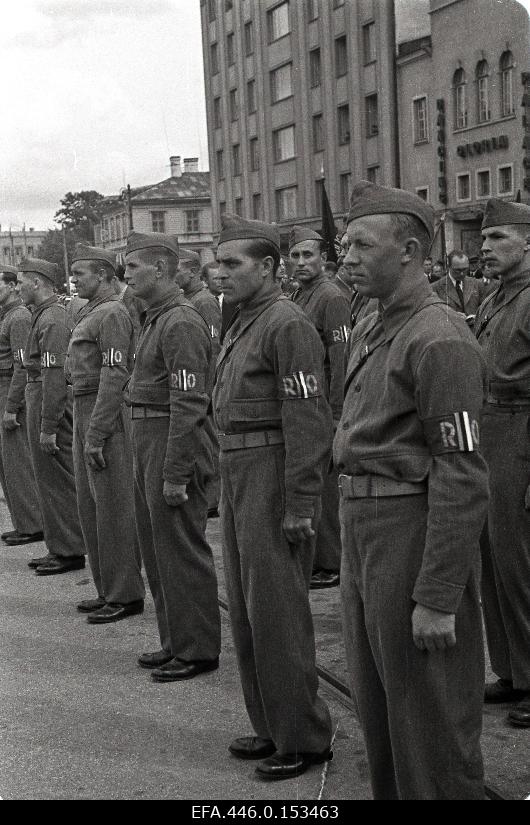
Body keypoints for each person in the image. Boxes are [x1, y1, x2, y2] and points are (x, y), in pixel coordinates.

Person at [335, 181, 489, 800]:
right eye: (344, 242)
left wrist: (438, 596)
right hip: (364, 525)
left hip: (408, 531)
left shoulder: (439, 337)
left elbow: (462, 472)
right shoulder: (377, 324)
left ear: (410, 250)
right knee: (381, 707)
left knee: (428, 716)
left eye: (360, 244)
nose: (345, 255)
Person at [213, 214, 333, 780]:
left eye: (231, 263)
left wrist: (300, 503)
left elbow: (307, 419)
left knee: (278, 612)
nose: (220, 272)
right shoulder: (244, 321)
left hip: (270, 472)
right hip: (239, 469)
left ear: (268, 267)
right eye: (218, 262)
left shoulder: (287, 324)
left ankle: (304, 736)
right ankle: (271, 725)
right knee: (247, 608)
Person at [124, 231, 221, 681]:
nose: (126, 277)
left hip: (170, 439)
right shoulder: (155, 317)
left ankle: (197, 647)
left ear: (159, 270)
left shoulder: (180, 322)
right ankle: (175, 640)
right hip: (149, 435)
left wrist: (177, 472)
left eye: (132, 268)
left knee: (180, 549)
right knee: (158, 549)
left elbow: (189, 402)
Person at [66, 244, 145, 623]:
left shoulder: (112, 312)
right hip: (84, 406)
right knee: (92, 507)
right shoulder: (91, 311)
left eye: (81, 273)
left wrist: (97, 432)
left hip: (103, 410)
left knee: (113, 508)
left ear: (102, 275)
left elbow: (115, 374)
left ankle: (125, 592)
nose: (75, 279)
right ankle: (107, 588)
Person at [475, 198, 530, 728]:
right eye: (484, 239)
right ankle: (513, 670)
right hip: (491, 433)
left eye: (498, 240)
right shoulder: (498, 297)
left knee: (524, 565)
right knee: (496, 560)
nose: (484, 248)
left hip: (522, 433)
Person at [290, 226, 351, 590]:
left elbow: (340, 357)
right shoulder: (300, 295)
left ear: (323, 259)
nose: (300, 262)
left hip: (325, 406)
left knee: (326, 489)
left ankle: (331, 560)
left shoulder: (331, 297)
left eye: (307, 255)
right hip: (307, 405)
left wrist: (337, 413)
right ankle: (318, 556)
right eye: (294, 256)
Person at [17, 258, 86, 575]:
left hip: (48, 399)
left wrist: (48, 426)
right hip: (39, 395)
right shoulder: (43, 315)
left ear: (37, 283)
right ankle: (60, 546)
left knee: (59, 479)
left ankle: (71, 549)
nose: (18, 288)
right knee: (47, 479)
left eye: (21, 282)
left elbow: (55, 377)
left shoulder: (53, 320)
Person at [0, 266, 43, 546]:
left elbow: (22, 366)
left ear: (13, 285)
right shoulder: (6, 315)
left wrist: (12, 406)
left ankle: (33, 524)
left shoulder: (18, 317)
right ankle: (23, 522)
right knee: (7, 464)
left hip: (9, 392)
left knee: (17, 462)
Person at [178, 249, 222, 517]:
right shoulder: (191, 299)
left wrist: (206, 390)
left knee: (209, 445)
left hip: (205, 384)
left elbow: (212, 347)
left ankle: (214, 499)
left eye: (178, 271)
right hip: (200, 384)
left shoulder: (204, 301)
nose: (174, 276)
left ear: (193, 272)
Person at [433, 250, 484, 325]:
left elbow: (485, 310)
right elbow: (434, 316)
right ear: (448, 267)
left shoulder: (477, 284)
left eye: (465, 269)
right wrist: (452, 316)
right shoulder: (436, 288)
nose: (462, 273)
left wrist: (475, 318)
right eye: (458, 270)